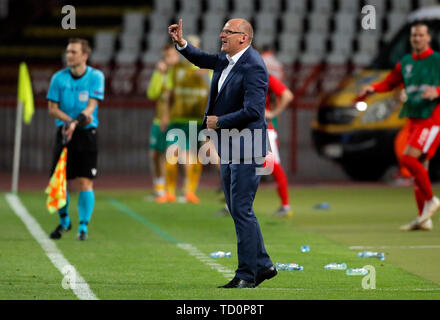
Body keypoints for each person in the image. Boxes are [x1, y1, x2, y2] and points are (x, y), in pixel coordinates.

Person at [169, 18, 277, 288]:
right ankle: (263, 265)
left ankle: (246, 275)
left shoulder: (253, 66)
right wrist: (182, 43)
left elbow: (254, 110)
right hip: (230, 144)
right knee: (237, 208)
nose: (221, 34)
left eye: (228, 32)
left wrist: (220, 121)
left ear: (244, 37)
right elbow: (200, 59)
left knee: (241, 209)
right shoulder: (226, 60)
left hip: (247, 145)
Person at [360, 23, 440, 231]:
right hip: (414, 118)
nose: (417, 38)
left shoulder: (436, 60)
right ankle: (424, 219)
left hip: (432, 119)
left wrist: (437, 92)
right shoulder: (405, 62)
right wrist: (373, 89)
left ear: (428, 38)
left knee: (408, 158)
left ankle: (432, 201)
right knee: (419, 169)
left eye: (421, 35)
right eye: (414, 35)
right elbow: (390, 83)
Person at [46, 38, 105, 240]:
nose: (68, 55)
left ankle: (83, 227)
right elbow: (52, 109)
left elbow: (91, 106)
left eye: (73, 52)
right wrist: (70, 122)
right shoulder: (58, 78)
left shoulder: (96, 76)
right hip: (64, 132)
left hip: (87, 134)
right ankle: (64, 221)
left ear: (84, 56)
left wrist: (76, 122)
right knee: (59, 181)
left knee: (85, 181)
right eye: (68, 51)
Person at [157, 35, 210, 204]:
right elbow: (168, 94)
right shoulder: (176, 69)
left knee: (194, 157)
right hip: (178, 118)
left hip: (197, 119)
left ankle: (190, 191)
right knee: (172, 153)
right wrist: (165, 115)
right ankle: (170, 192)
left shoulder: (207, 69)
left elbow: (213, 94)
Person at [147, 43, 180, 202]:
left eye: (171, 56)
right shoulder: (160, 73)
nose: (169, 59)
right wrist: (160, 76)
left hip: (174, 121)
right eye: (166, 56)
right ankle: (159, 188)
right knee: (154, 154)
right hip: (158, 119)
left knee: (171, 155)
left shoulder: (180, 73)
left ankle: (170, 190)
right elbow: (152, 93)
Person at [264, 72, 294, 217]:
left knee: (271, 166)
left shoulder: (264, 76)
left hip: (263, 130)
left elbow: (287, 95)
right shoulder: (238, 74)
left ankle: (285, 205)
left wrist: (273, 113)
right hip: (245, 129)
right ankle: (232, 205)